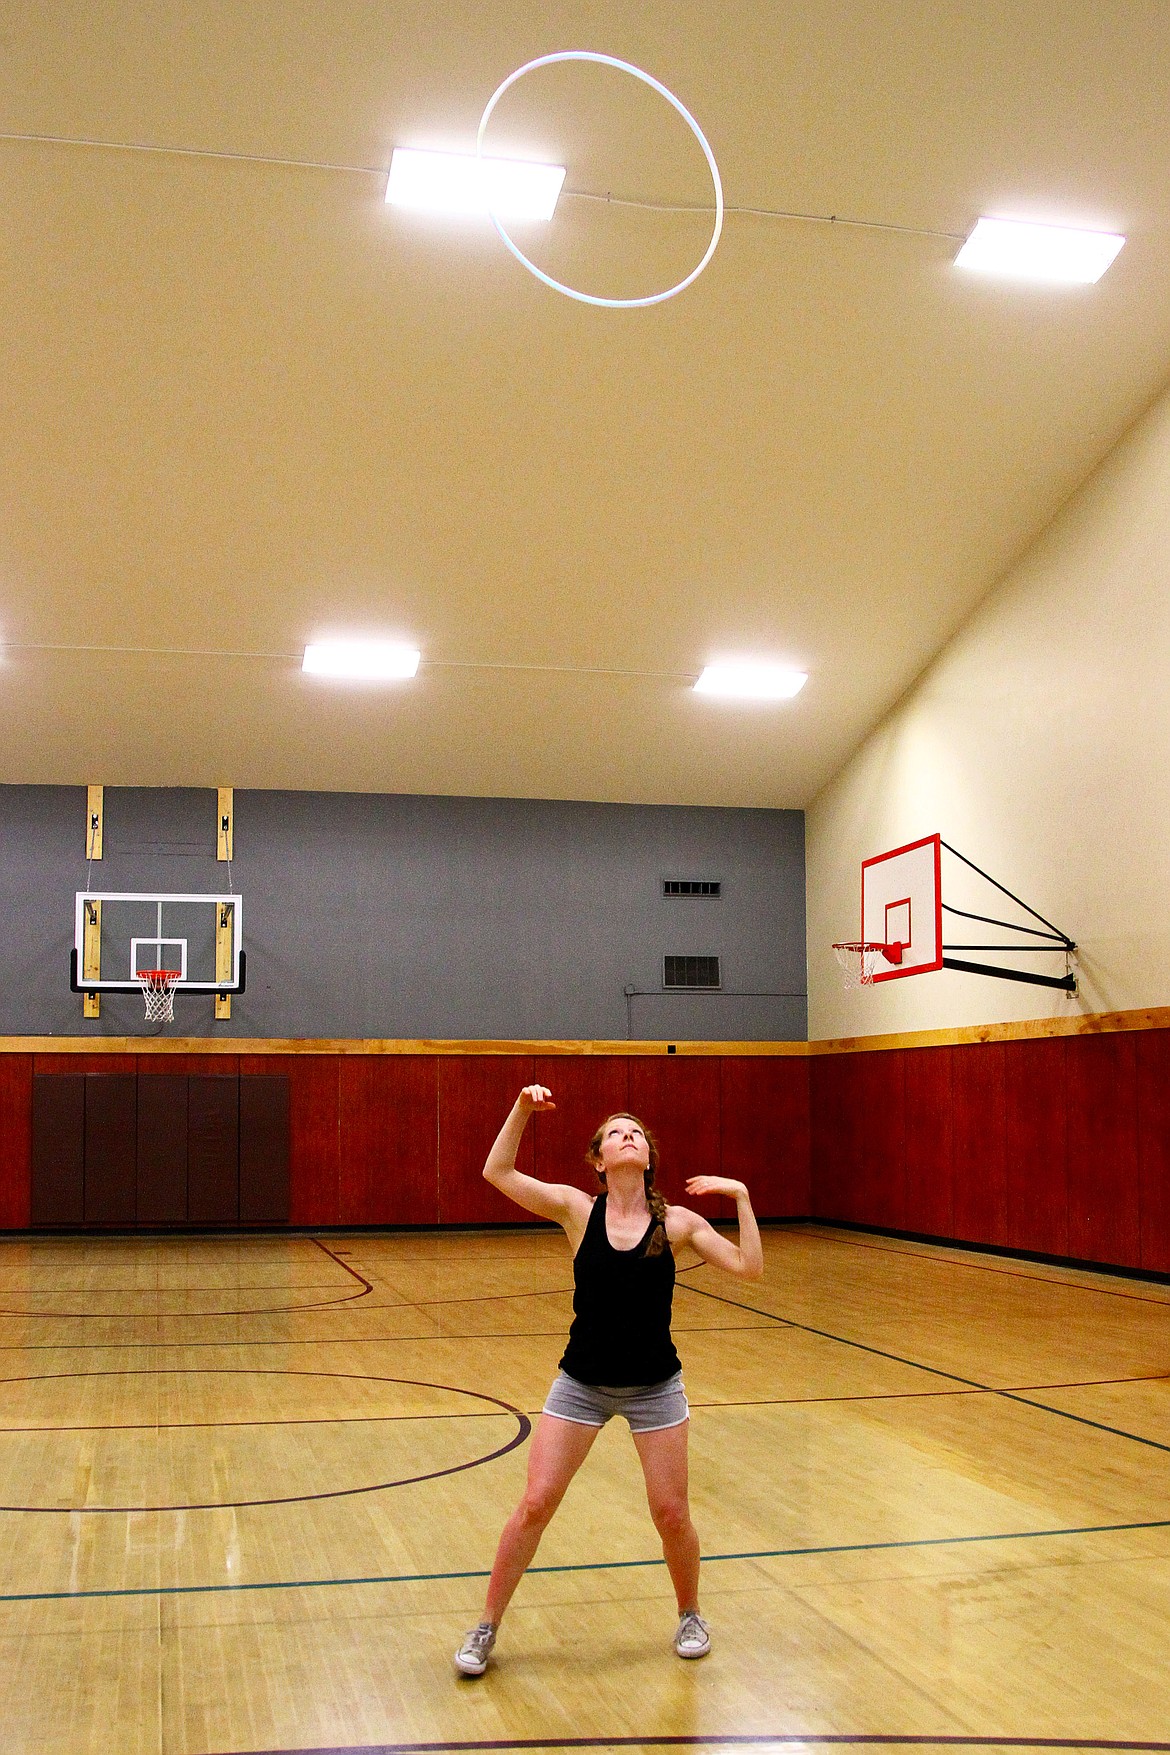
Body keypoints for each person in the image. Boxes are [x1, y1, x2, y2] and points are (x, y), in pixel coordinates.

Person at [454, 1083, 763, 1677]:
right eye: (617, 1132)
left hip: (655, 1387)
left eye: (637, 1133)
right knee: (536, 1504)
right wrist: (520, 1107)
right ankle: (486, 1625)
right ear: (599, 1159)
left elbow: (749, 1267)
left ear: (647, 1157)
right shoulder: (577, 1209)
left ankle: (690, 1613)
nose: (629, 1136)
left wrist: (742, 1197)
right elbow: (497, 1171)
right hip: (582, 1382)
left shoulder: (676, 1224)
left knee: (671, 1514)